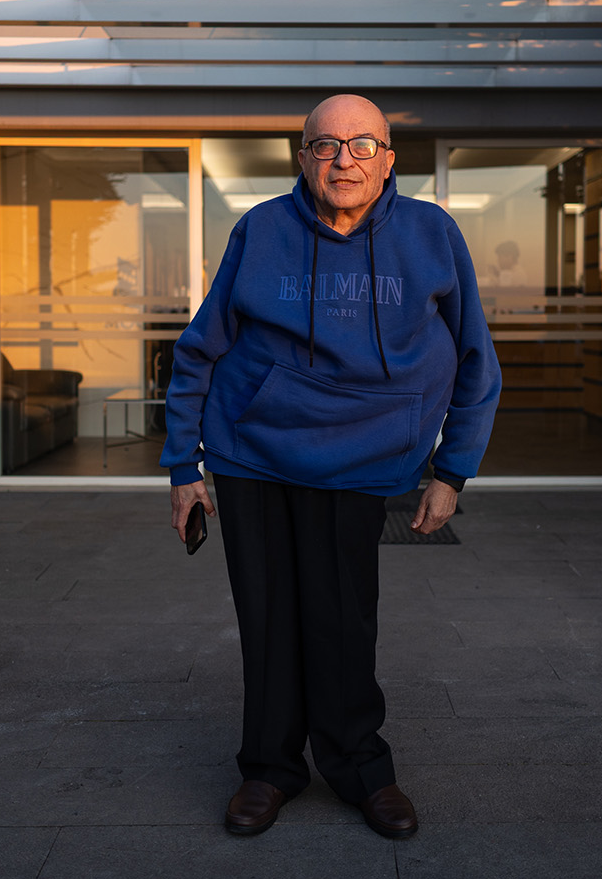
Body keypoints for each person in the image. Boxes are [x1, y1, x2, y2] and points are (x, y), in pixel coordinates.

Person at [160, 93, 501, 839]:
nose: (342, 159)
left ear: (387, 159)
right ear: (302, 155)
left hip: (367, 459)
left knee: (344, 623)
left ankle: (359, 769)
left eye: (360, 144)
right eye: (325, 144)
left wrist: (452, 471)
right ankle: (268, 769)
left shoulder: (430, 234)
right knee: (268, 618)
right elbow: (199, 350)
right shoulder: (261, 229)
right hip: (253, 453)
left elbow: (476, 359)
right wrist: (182, 465)